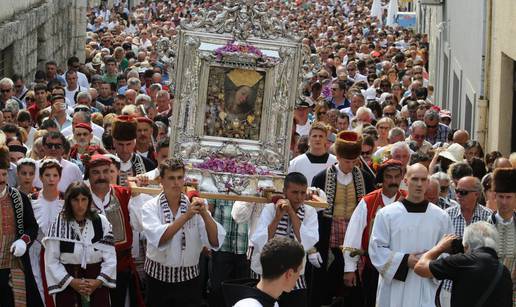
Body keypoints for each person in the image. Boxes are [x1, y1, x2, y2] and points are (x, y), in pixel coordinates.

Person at [141, 157, 226, 307]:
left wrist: (205, 213)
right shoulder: (150, 207)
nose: (176, 183)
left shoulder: (194, 204)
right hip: (158, 281)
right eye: (171, 178)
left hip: (189, 281)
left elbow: (214, 241)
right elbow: (160, 239)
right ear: (161, 180)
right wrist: (186, 216)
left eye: (180, 178)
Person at [368, 163, 453, 307]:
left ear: (428, 182)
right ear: (405, 181)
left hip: (425, 284)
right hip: (394, 287)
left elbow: (448, 251)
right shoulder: (387, 214)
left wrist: (430, 265)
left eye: (423, 179)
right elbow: (376, 249)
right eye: (414, 179)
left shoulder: (441, 217)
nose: (419, 184)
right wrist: (405, 260)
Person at [310, 131, 375, 307]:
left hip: (355, 239)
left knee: (355, 288)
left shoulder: (366, 178)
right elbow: (312, 215)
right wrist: (312, 247)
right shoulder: (321, 178)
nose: (351, 165)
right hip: (328, 239)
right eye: (347, 161)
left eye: (355, 161)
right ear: (337, 156)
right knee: (325, 285)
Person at [342, 159, 407, 307]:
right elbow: (353, 237)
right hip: (372, 267)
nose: (393, 181)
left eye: (397, 177)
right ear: (381, 178)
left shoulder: (408, 200)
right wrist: (349, 269)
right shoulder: (368, 201)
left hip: (400, 266)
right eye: (389, 177)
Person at [250, 172, 319, 307]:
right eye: (294, 192)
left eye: (302, 193)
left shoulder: (310, 212)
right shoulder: (269, 209)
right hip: (267, 273)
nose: (299, 197)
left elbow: (307, 241)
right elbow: (262, 241)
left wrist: (292, 213)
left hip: (294, 275)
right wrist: (277, 217)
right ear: (284, 191)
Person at [43, 181, 117, 306]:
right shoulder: (59, 224)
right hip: (69, 284)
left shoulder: (101, 222)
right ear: (68, 201)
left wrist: (98, 282)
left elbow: (110, 257)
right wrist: (72, 282)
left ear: (89, 200)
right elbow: (51, 260)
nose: (80, 205)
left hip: (96, 283)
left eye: (84, 199)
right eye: (75, 200)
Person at [85, 154, 145, 307]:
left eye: (106, 171)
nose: (102, 176)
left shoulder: (123, 194)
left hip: (121, 266)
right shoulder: (80, 196)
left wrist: (137, 195)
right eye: (96, 172)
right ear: (88, 175)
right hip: (91, 268)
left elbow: (139, 226)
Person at [414, 221, 512, 307]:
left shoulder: (462, 262)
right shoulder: (504, 271)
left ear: (466, 246)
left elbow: (420, 267)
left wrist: (440, 247)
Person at [0, 145, 43, 307]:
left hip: (14, 266)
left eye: (4, 174)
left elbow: (32, 227)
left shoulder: (19, 198)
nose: (1, 179)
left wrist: (23, 241)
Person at [224, 237, 306, 307]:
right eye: (299, 270)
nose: (299, 276)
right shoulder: (249, 305)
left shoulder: (272, 302)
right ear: (289, 274)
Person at [29, 159, 64, 306]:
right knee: (38, 283)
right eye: (47, 175)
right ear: (41, 177)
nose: (51, 179)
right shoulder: (32, 199)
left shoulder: (66, 199)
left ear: (59, 177)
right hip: (37, 250)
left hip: (60, 250)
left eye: (55, 175)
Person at [489, 168, 516, 303]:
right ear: (494, 196)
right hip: (489, 294)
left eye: (508, 197)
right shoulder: (482, 227)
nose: (504, 202)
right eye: (501, 196)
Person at [111, 115, 155, 186]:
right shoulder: (107, 164)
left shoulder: (148, 164)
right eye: (120, 144)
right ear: (114, 143)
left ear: (134, 142)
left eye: (128, 144)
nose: (124, 150)